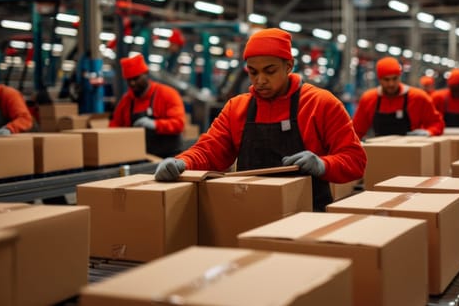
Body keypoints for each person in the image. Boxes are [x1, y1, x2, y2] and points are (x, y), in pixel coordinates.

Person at [154, 28, 366, 211]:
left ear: (289, 66)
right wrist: (182, 162)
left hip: (307, 217)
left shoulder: (320, 104)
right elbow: (209, 151)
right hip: (249, 213)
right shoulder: (237, 108)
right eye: (253, 72)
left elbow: (355, 160)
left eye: (270, 71)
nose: (260, 81)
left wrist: (322, 164)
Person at [109, 54, 186, 158]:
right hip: (142, 157)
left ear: (146, 74)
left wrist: (155, 124)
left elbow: (179, 124)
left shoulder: (168, 94)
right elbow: (114, 126)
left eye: (136, 78)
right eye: (129, 80)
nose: (132, 83)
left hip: (171, 157)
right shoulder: (126, 101)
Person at [352, 57, 444, 138]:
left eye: (394, 78)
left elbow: (437, 123)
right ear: (379, 79)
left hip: (411, 152)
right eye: (386, 80)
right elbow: (356, 131)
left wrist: (428, 132)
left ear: (400, 77)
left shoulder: (418, 97)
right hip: (379, 152)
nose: (391, 84)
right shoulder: (369, 99)